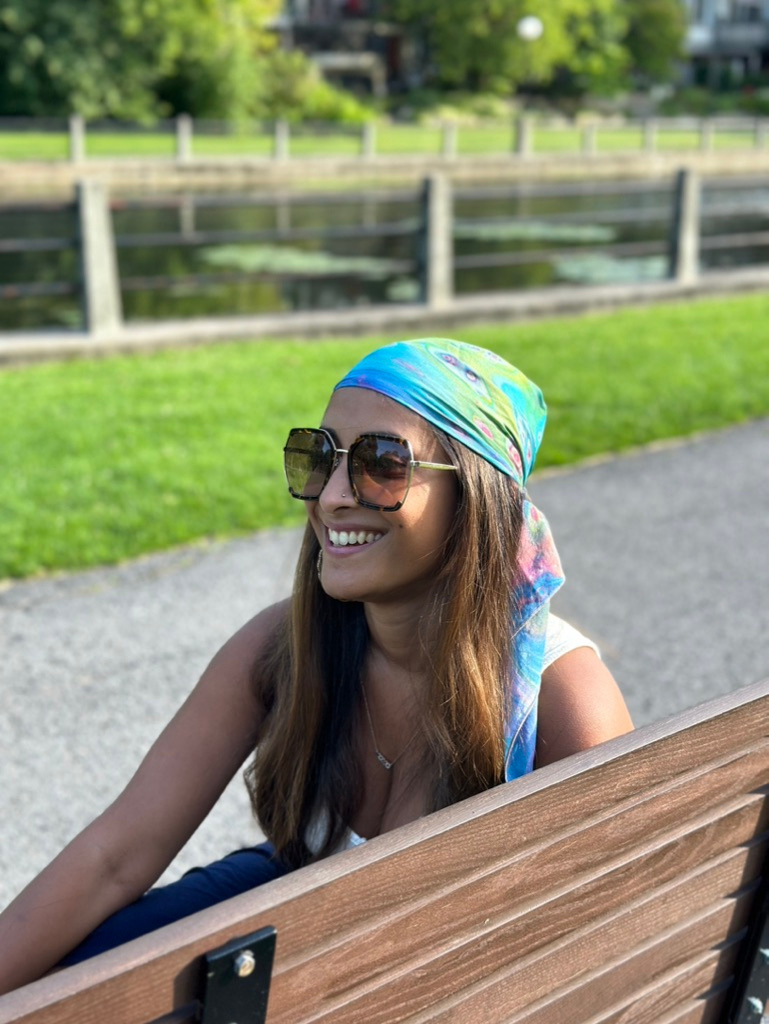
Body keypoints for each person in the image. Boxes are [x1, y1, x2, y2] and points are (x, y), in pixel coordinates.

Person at [0, 338, 633, 994]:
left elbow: (605, 952)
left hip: (428, 987)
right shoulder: (283, 645)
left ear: (474, 497)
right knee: (69, 978)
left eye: (381, 464)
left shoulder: (561, 701)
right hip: (306, 906)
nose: (330, 497)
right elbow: (114, 856)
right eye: (320, 456)